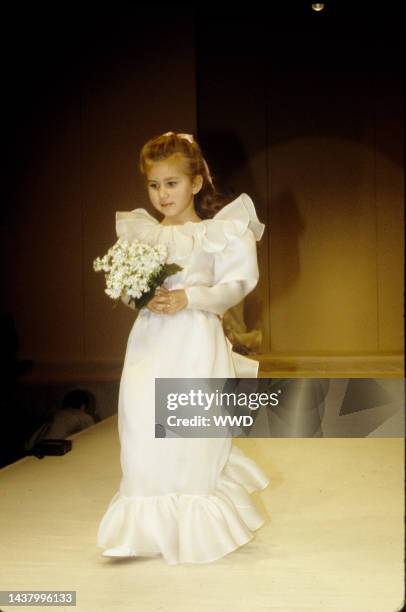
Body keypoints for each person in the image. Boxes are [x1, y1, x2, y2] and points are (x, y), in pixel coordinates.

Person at [97, 131, 270, 565]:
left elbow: (237, 283)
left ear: (195, 183)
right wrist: (140, 295)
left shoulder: (219, 232)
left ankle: (195, 528)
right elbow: (123, 282)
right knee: (141, 426)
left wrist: (191, 297)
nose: (161, 194)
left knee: (190, 434)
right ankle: (144, 531)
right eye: (154, 185)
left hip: (194, 340)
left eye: (171, 183)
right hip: (150, 341)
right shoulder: (141, 231)